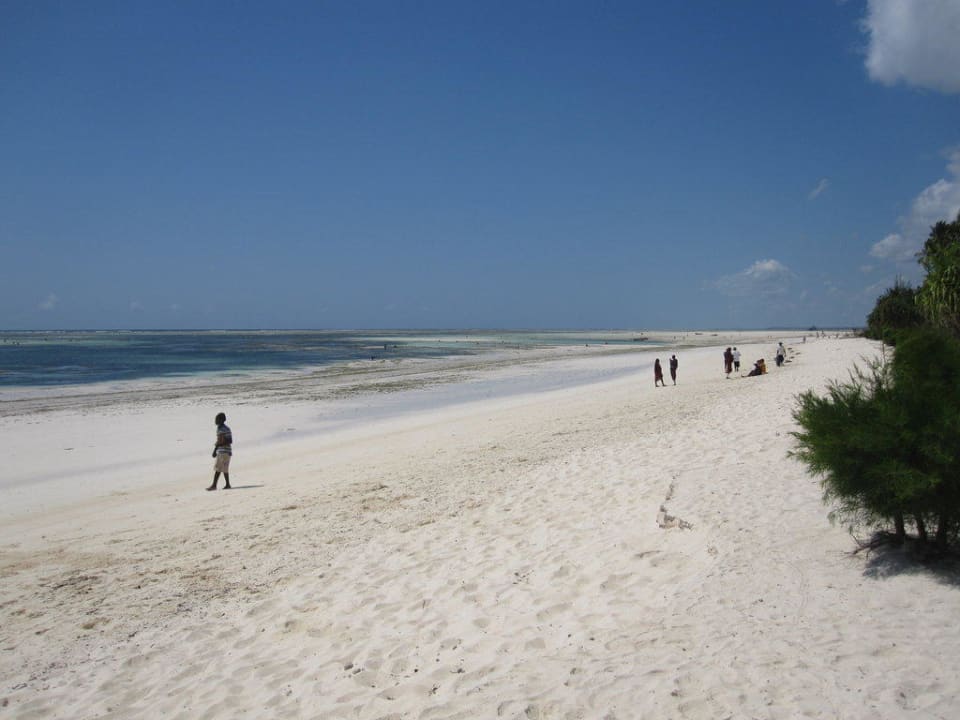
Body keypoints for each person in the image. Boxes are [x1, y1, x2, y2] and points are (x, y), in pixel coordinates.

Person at [207, 412, 233, 491]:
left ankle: (214, 485)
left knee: (218, 468)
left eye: (217, 419)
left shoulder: (223, 429)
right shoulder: (221, 428)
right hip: (225, 451)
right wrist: (216, 449)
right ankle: (228, 484)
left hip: (223, 451)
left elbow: (229, 440)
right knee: (224, 468)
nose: (215, 420)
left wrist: (217, 448)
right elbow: (220, 440)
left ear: (222, 420)